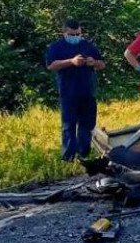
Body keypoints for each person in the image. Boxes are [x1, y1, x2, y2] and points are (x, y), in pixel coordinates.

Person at [45, 18, 105, 161]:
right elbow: (51, 65)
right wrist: (71, 61)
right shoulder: (56, 47)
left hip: (87, 92)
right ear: (64, 33)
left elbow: (102, 64)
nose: (76, 37)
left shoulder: (87, 46)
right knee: (69, 125)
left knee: (87, 124)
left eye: (78, 34)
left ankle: (84, 153)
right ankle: (68, 157)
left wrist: (93, 62)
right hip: (68, 92)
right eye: (72, 34)